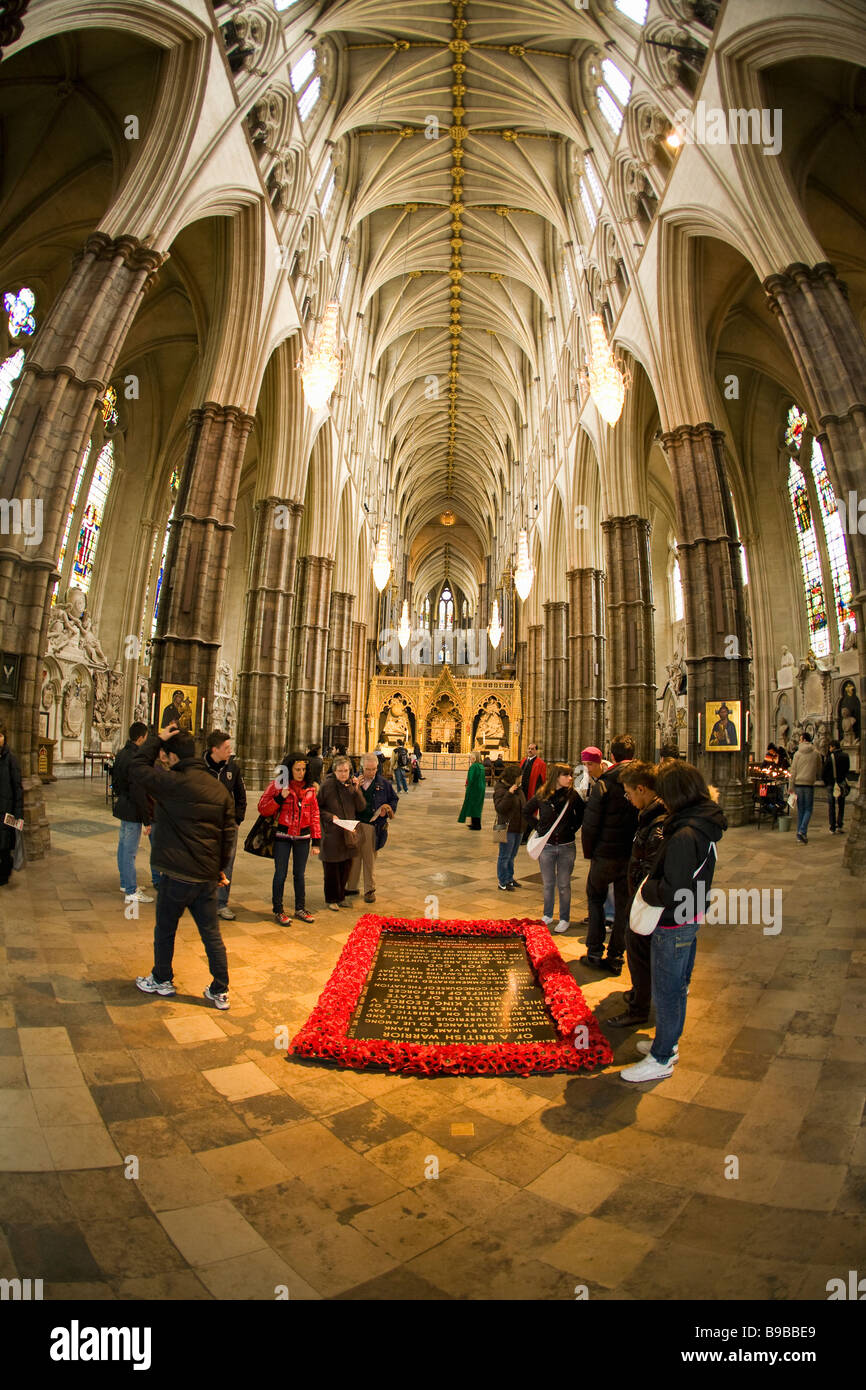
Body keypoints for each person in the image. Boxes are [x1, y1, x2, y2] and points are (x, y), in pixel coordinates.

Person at [620, 761, 726, 1083]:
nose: (661, 800)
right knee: (677, 987)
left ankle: (661, 1057)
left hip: (672, 921)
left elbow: (673, 890)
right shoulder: (702, 822)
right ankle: (668, 1043)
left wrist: (647, 886)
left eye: (664, 793)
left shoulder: (684, 833)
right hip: (689, 915)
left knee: (667, 990)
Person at [130, 723, 235, 1010]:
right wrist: (219, 869)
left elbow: (135, 766)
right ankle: (220, 989)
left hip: (176, 874)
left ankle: (162, 979)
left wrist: (156, 739)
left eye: (166, 756)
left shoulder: (170, 783)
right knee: (211, 934)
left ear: (172, 757)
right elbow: (228, 836)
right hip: (205, 877)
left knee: (165, 929)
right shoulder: (219, 790)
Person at [606, 762, 668, 1028]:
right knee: (638, 952)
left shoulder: (658, 823)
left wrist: (639, 896)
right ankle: (638, 994)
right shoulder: (650, 815)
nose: (628, 799)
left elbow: (651, 866)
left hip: (646, 900)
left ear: (643, 789)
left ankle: (639, 1008)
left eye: (629, 793)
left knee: (641, 953)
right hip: (641, 897)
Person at [580, 733, 638, 974]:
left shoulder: (604, 784)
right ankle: (616, 956)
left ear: (611, 756)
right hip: (630, 856)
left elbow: (590, 825)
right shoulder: (642, 782)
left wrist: (590, 853)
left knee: (595, 900)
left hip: (604, 855)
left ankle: (594, 951)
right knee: (624, 905)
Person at [258, 753, 321, 924]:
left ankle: (300, 908)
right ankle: (278, 910)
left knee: (299, 874)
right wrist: (280, 798)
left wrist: (316, 841)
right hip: (283, 836)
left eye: (303, 769)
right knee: (280, 874)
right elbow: (263, 808)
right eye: (297, 769)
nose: (301, 773)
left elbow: (314, 814)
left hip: (303, 836)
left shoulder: (310, 788)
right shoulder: (278, 785)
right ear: (288, 769)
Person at [524, 763, 584, 932]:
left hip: (566, 846)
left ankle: (564, 918)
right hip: (547, 847)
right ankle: (548, 914)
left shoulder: (573, 795)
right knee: (548, 883)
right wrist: (539, 828)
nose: (570, 778)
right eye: (566, 775)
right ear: (556, 776)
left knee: (564, 884)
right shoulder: (543, 794)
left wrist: (572, 828)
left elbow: (582, 814)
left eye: (571, 775)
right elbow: (526, 811)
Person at [205, 730, 247, 920]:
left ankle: (221, 903)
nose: (230, 751)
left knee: (227, 863)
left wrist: (237, 819)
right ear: (215, 749)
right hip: (206, 825)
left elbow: (241, 796)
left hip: (228, 825)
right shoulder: (201, 768)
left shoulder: (233, 769)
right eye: (227, 748)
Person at [345, 753, 398, 903]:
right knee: (354, 858)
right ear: (362, 767)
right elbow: (343, 800)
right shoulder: (353, 780)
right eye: (368, 769)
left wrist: (387, 809)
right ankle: (351, 887)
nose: (371, 772)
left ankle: (369, 889)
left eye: (374, 769)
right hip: (354, 825)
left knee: (369, 860)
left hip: (372, 826)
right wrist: (355, 788)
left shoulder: (383, 783)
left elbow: (393, 799)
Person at [111, 721, 155, 905]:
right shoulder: (135, 759)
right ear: (140, 738)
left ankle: (124, 882)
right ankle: (131, 890)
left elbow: (115, 780)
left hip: (123, 804)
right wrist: (147, 820)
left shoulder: (122, 753)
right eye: (145, 738)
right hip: (132, 809)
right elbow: (139, 791)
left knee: (123, 847)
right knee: (129, 851)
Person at [317, 756, 366, 910]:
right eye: (340, 771)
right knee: (332, 868)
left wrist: (357, 790)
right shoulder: (327, 785)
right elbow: (318, 808)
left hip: (348, 832)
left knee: (346, 866)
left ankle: (341, 896)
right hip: (332, 833)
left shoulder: (351, 785)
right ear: (334, 771)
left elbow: (361, 807)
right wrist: (330, 817)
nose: (343, 774)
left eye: (346, 771)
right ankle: (331, 899)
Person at [492, 762, 525, 891]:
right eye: (520, 776)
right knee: (504, 855)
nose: (522, 778)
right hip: (505, 827)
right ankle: (502, 881)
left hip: (518, 826)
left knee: (512, 855)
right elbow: (500, 808)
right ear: (514, 777)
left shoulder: (518, 788)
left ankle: (510, 878)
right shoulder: (501, 789)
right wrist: (509, 794)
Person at [0, 722, 23, 888]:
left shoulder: (11, 760)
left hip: (7, 810)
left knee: (5, 845)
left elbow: (17, 788)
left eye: (0, 736)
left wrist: (18, 814)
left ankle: (4, 874)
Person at [789, 731, 823, 843]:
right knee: (808, 809)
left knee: (801, 810)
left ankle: (801, 832)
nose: (798, 740)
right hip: (809, 784)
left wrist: (791, 786)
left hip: (798, 784)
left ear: (803, 739)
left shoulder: (797, 754)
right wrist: (816, 776)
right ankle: (801, 832)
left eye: (800, 738)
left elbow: (793, 772)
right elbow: (819, 769)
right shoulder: (816, 753)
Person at [822, 738, 851, 836]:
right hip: (841, 783)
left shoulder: (831, 757)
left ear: (833, 747)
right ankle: (840, 824)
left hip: (832, 784)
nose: (829, 749)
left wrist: (826, 782)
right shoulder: (846, 756)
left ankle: (832, 827)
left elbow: (824, 772)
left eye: (829, 747)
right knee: (841, 804)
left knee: (832, 805)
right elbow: (847, 769)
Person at [458, 751, 486, 829]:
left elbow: (471, 778)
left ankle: (476, 825)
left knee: (474, 805)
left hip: (475, 788)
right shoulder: (481, 766)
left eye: (471, 757)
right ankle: (474, 823)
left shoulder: (474, 766)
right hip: (481, 788)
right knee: (477, 806)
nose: (470, 758)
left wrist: (468, 786)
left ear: (475, 757)